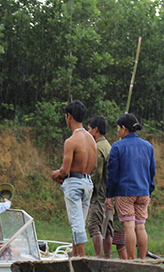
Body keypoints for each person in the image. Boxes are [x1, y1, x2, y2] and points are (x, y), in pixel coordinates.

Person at [105, 113, 156, 259]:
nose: (117, 131)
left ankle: (131, 261)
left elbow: (113, 174)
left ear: (123, 128)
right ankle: (142, 260)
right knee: (140, 227)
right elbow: (152, 171)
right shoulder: (148, 146)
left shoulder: (117, 146)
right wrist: (149, 191)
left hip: (125, 192)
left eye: (118, 128)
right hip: (143, 191)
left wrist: (109, 195)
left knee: (128, 227)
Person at [51, 100, 96, 257]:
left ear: (69, 116)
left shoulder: (71, 141)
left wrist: (56, 174)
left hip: (74, 184)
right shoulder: (91, 139)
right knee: (80, 223)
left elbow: (65, 170)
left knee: (76, 225)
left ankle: (80, 260)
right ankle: (76, 256)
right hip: (88, 182)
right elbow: (94, 165)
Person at [87, 115, 114, 258]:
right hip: (109, 196)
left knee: (94, 227)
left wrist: (87, 190)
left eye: (89, 129)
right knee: (107, 229)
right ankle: (107, 258)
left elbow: (96, 174)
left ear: (96, 130)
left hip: (98, 196)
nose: (88, 132)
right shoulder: (109, 147)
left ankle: (98, 257)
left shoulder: (97, 148)